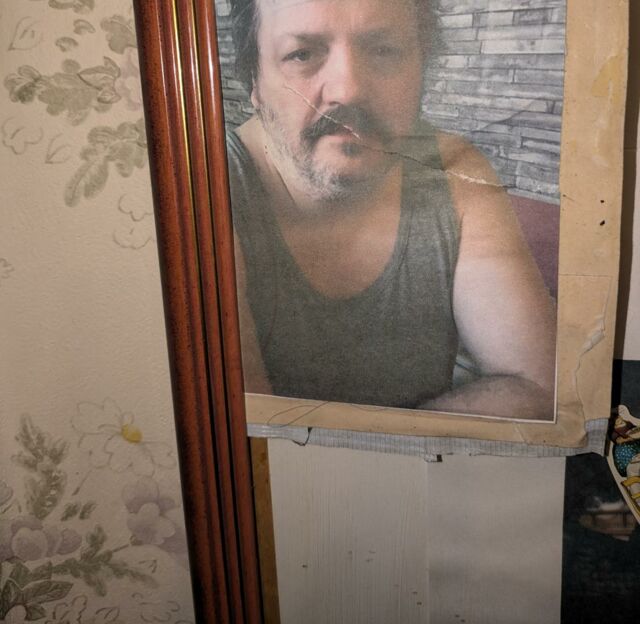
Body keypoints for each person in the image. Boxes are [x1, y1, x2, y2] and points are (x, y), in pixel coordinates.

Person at [226, 0, 557, 420]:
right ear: (254, 80)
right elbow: (248, 435)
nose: (349, 90)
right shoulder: (209, 189)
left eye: (383, 50)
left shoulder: (457, 173)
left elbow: (541, 387)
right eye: (302, 54)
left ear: (421, 69)